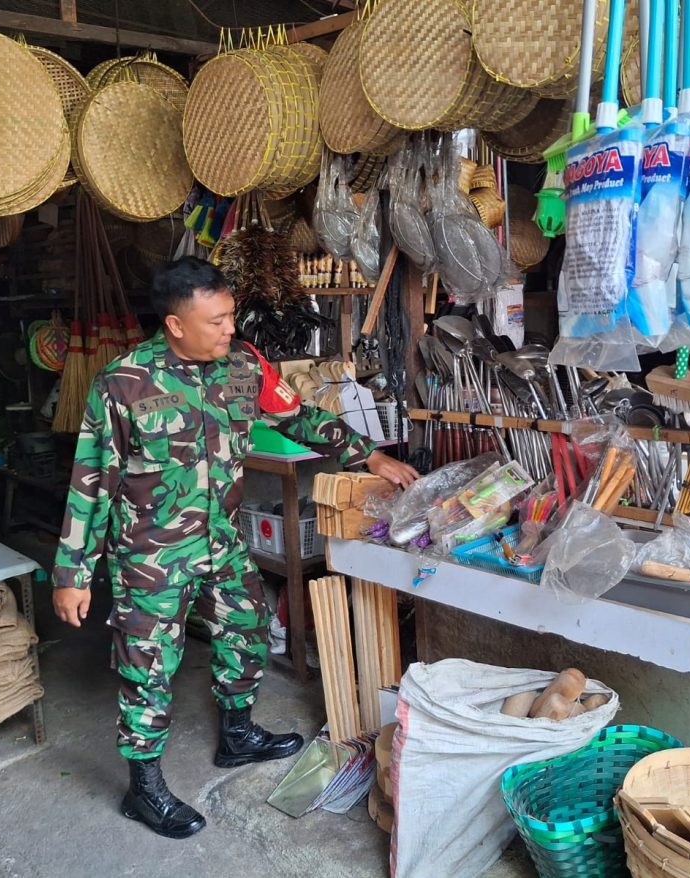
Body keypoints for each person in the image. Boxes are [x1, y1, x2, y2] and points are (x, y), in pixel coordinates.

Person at [51, 257, 418, 840]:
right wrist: (71, 573)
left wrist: (368, 454)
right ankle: (143, 787)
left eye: (231, 316)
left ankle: (238, 735)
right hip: (152, 556)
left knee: (245, 629)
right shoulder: (123, 382)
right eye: (217, 320)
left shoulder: (243, 364)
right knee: (147, 667)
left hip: (222, 539)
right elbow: (92, 482)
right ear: (175, 325)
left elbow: (297, 416)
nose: (230, 329)